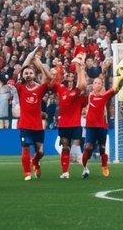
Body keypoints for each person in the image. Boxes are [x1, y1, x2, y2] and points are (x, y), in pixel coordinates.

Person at [15, 47, 56, 180]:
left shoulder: (39, 89)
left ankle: (35, 161)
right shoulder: (20, 87)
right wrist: (32, 53)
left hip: (37, 125)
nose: (28, 75)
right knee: (25, 147)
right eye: (26, 73)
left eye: (30, 73)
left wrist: (39, 64)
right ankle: (27, 173)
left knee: (41, 152)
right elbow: (24, 66)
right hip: (25, 125)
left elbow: (49, 78)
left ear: (34, 75)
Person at [55, 53, 88, 179]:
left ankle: (85, 168)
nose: (69, 77)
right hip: (63, 124)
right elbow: (56, 80)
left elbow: (83, 86)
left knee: (76, 147)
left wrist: (80, 68)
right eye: (67, 75)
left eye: (71, 76)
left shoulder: (77, 93)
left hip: (75, 124)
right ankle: (65, 172)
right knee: (65, 146)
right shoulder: (62, 89)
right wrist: (58, 65)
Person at [82, 59, 115, 178]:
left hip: (102, 125)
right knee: (88, 147)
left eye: (99, 83)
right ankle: (85, 168)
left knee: (102, 147)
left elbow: (109, 88)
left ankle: (104, 166)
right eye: (95, 83)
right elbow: (85, 81)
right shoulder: (90, 95)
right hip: (91, 126)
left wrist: (106, 70)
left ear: (102, 86)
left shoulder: (104, 96)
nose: (97, 85)